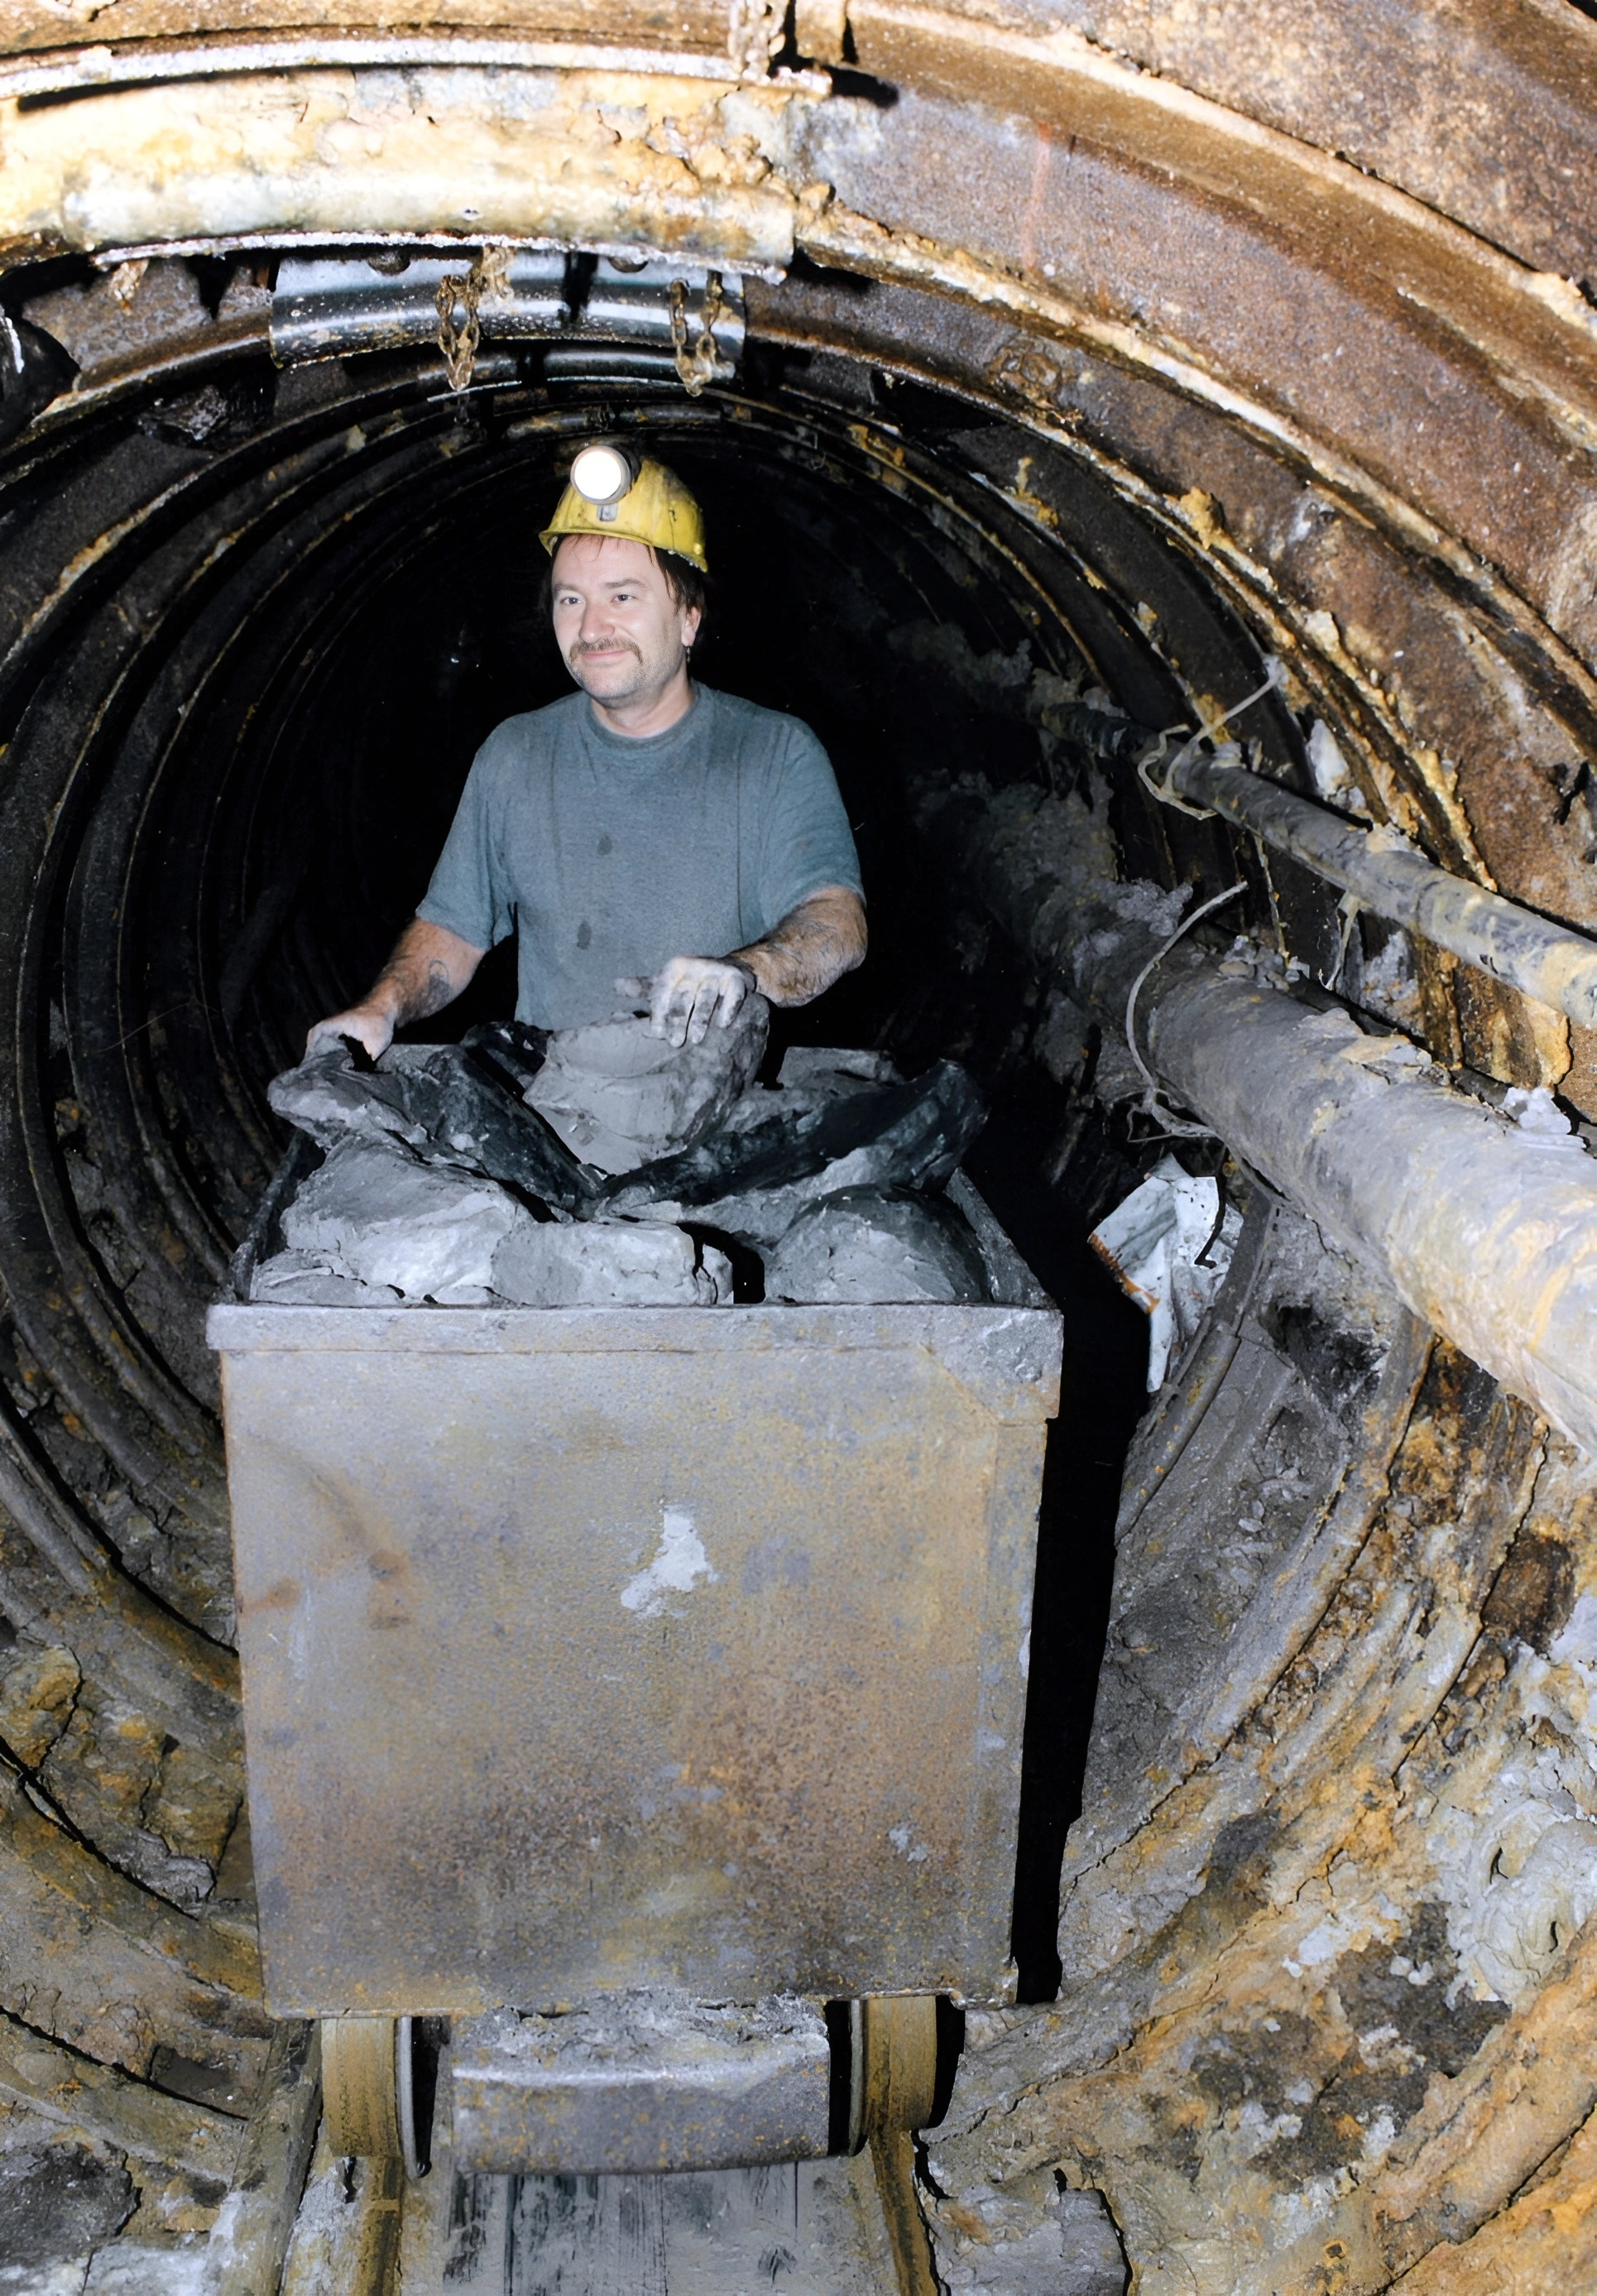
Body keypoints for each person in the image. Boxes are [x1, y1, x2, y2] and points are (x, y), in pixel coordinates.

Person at [308, 450, 866, 1059]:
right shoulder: (515, 754)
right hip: (551, 1100)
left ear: (689, 618)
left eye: (622, 597)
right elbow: (454, 928)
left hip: (712, 1103)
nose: (591, 627)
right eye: (570, 600)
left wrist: (744, 972)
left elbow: (836, 922)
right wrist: (381, 1006)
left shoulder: (773, 753)